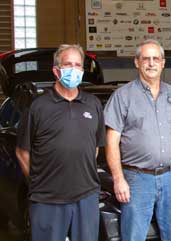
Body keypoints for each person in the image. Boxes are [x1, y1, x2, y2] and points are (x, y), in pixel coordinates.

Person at [15, 44, 106, 241]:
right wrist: (38, 184)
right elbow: (22, 152)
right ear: (56, 70)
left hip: (86, 197)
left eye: (78, 65)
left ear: (82, 70)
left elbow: (95, 148)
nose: (73, 69)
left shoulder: (93, 104)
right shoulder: (37, 107)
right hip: (48, 200)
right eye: (68, 64)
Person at [104, 39, 171, 241]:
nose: (151, 63)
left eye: (155, 58)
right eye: (146, 59)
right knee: (134, 236)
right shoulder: (122, 96)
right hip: (136, 179)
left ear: (163, 63)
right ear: (137, 62)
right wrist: (118, 179)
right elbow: (112, 141)